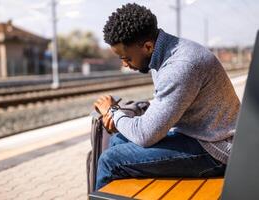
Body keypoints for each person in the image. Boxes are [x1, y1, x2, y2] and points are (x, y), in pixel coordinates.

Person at [93, 3, 240, 191]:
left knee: (110, 161)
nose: (125, 64)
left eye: (127, 58)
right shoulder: (166, 52)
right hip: (197, 134)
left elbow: (145, 135)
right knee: (117, 141)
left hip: (216, 148)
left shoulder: (180, 66)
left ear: (147, 46)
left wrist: (113, 112)